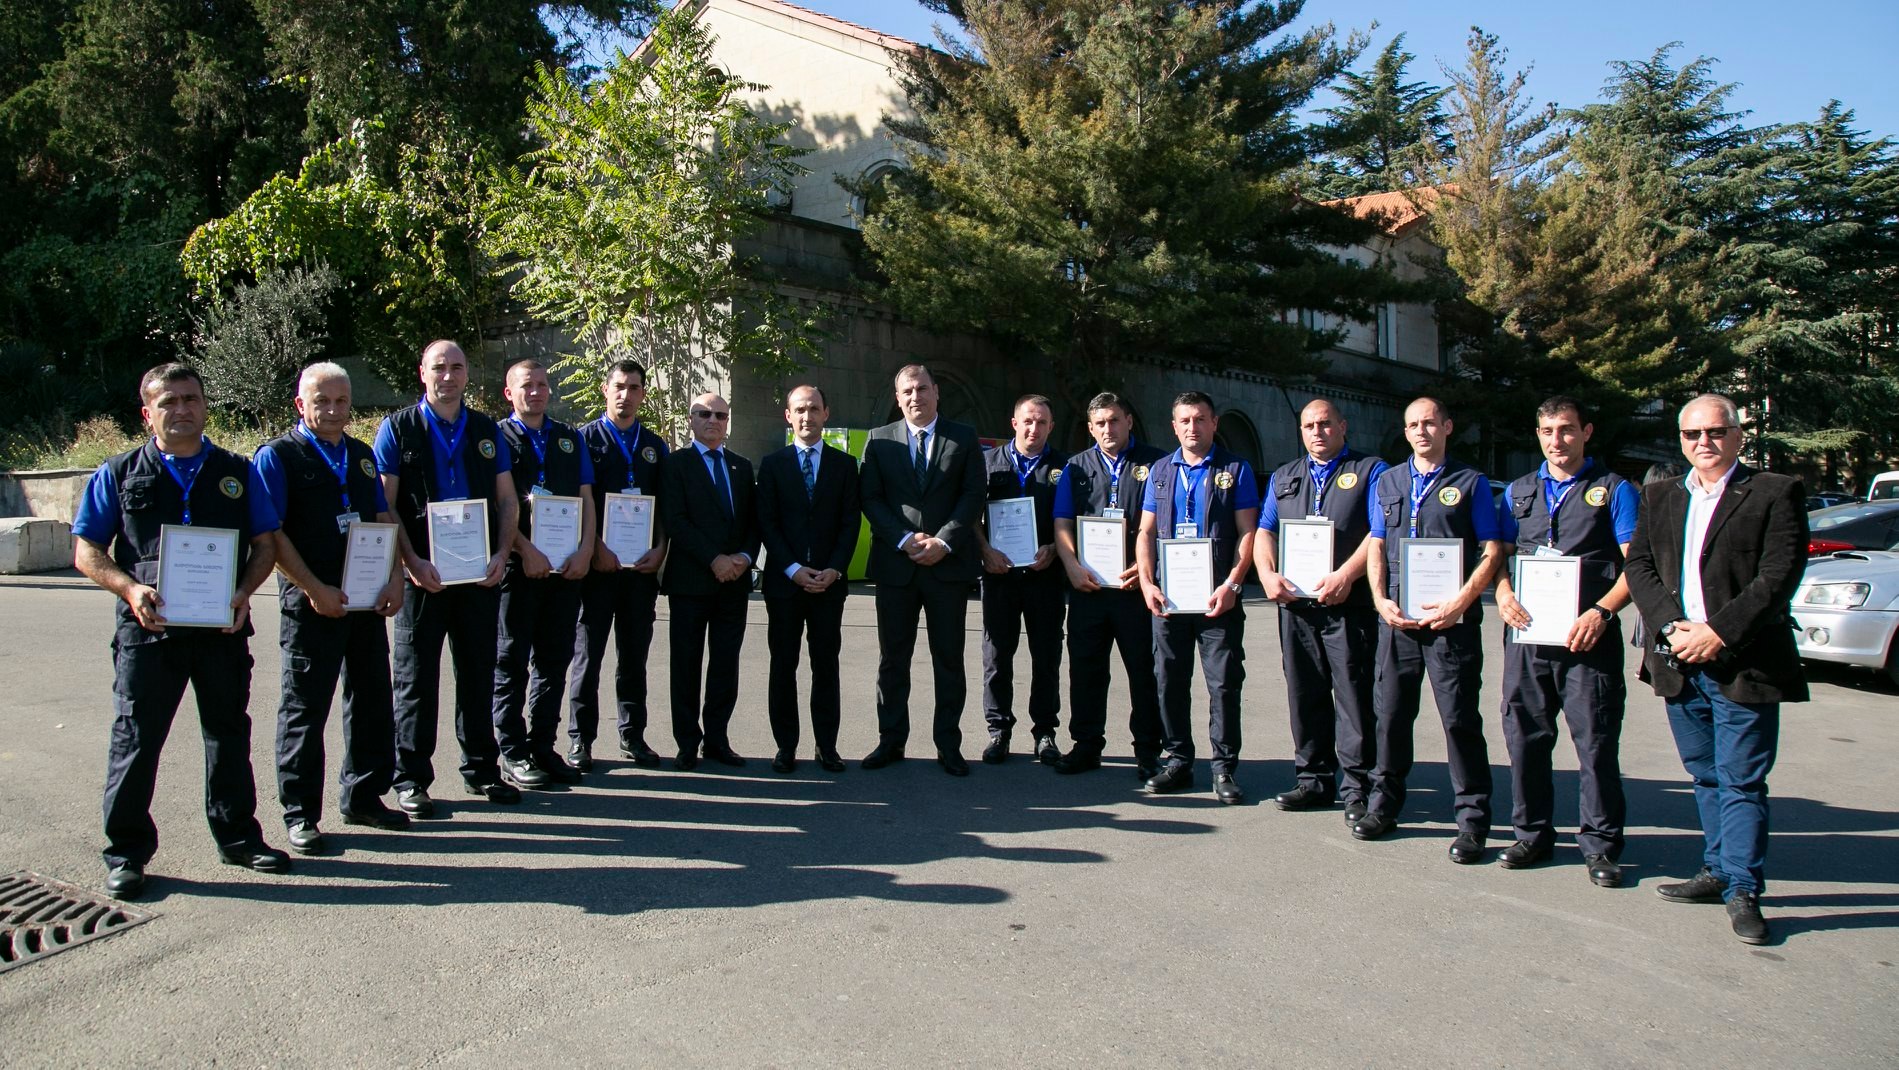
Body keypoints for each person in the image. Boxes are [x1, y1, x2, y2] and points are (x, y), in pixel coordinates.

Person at [72, 363, 287, 897]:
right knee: (136, 739)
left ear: (205, 406)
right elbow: (87, 551)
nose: (182, 409)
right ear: (147, 414)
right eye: (168, 401)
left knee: (228, 735)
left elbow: (265, 545)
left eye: (191, 398)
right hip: (149, 633)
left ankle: (238, 837)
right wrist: (129, 589)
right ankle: (126, 853)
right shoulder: (118, 473)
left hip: (221, 632)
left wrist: (243, 593)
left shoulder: (238, 472)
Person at [1624, 393, 1808, 945]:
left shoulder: (1775, 492)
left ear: (1737, 435)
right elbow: (1639, 566)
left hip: (1742, 663)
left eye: (1715, 432)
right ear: (1681, 440)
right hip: (1679, 660)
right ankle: (1717, 868)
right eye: (1692, 434)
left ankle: (1744, 889)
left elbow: (1778, 575)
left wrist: (1718, 633)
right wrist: (1672, 627)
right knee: (1704, 774)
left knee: (1742, 780)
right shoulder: (1660, 496)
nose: (1703, 442)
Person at [253, 362, 409, 856]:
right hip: (312, 604)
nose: (333, 410)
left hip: (365, 600)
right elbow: (272, 534)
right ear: (301, 404)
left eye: (342, 401)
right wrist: (314, 588)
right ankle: (300, 813)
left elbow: (382, 517)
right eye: (322, 401)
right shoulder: (277, 457)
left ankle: (364, 796)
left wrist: (395, 575)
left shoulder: (360, 456)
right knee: (305, 708)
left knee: (371, 699)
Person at [374, 339, 528, 816]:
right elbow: (385, 504)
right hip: (425, 576)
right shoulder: (397, 428)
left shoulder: (485, 429)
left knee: (478, 673)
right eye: (438, 367)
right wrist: (410, 562)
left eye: (456, 367)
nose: (448, 376)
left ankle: (481, 769)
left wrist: (502, 552)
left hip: (478, 576)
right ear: (423, 373)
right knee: (415, 679)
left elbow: (507, 499)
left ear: (467, 374)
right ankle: (411, 779)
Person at [1492, 396, 1639, 887]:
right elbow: (1498, 556)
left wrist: (1603, 611)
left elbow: (1636, 565)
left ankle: (1600, 846)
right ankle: (1531, 834)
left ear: (1586, 432)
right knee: (1525, 739)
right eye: (1548, 431)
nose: (1557, 440)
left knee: (1595, 744)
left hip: (1587, 641)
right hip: (1529, 639)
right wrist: (1503, 593)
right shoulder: (1518, 492)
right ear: (1538, 435)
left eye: (1567, 429)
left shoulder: (1614, 490)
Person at [1356, 397, 1507, 863]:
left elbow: (1492, 549)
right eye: (1413, 425)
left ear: (1447, 427)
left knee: (1459, 720)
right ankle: (1383, 805)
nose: (1421, 431)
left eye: (1429, 423)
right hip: (1398, 620)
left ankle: (1472, 821)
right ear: (1405, 432)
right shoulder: (1388, 481)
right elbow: (1377, 543)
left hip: (1450, 625)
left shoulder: (1470, 482)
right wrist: (1379, 599)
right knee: (1390, 716)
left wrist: (1461, 602)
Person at [1252, 398, 1388, 822]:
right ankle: (1313, 779)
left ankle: (1358, 787)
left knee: (1353, 697)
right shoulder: (1285, 475)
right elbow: (1264, 530)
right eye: (1310, 426)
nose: (1317, 432)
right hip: (1296, 607)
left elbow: (1378, 533)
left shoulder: (1371, 471)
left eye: (1326, 424)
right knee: (1304, 693)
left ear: (1342, 427)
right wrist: (1267, 574)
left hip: (1348, 605)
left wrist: (1346, 575)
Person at [858, 363, 988, 776]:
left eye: (922, 388)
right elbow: (871, 498)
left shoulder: (963, 437)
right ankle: (890, 741)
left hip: (947, 567)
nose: (916, 397)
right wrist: (903, 539)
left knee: (948, 660)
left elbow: (973, 494)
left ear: (936, 392)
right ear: (898, 399)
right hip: (897, 566)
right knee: (893, 660)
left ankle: (948, 744)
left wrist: (944, 541)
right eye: (908, 391)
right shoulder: (879, 440)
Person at [1135, 391, 1259, 804]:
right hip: (1168, 599)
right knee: (1169, 681)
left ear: (1214, 423)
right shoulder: (1160, 471)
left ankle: (1223, 767)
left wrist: (1233, 585)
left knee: (1223, 685)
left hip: (1216, 599)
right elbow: (1145, 532)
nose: (1193, 427)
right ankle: (1178, 760)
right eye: (1185, 420)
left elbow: (1248, 532)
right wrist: (1148, 583)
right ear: (1174, 427)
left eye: (1200, 419)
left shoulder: (1235, 469)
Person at [1051, 392, 1166, 777]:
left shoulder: (1157, 463)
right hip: (1089, 588)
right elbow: (1063, 522)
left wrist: (1145, 567)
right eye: (1100, 423)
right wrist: (1071, 565)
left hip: (1135, 590)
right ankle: (1086, 745)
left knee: (1144, 671)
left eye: (1114, 420)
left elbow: (1161, 525)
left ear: (1128, 421)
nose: (1108, 429)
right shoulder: (1075, 467)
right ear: (1090, 428)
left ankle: (1148, 750)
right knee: (1085, 670)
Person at [493, 359, 596, 786]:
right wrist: (525, 549)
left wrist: (586, 549)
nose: (535, 391)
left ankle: (542, 746)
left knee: (554, 662)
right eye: (525, 385)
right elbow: (498, 504)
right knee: (512, 661)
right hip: (519, 568)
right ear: (509, 393)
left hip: (565, 570)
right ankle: (512, 752)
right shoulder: (496, 437)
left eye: (541, 384)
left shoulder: (569, 438)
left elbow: (587, 498)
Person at [566, 360, 670, 770]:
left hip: (640, 571)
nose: (626, 395)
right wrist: (594, 547)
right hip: (597, 569)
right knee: (587, 657)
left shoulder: (655, 445)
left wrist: (660, 549)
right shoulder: (583, 440)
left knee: (634, 658)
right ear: (605, 390)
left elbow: (663, 505)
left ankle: (632, 735)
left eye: (634, 388)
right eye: (620, 387)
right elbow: (578, 501)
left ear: (643, 394)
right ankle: (580, 739)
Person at [755, 385, 861, 773]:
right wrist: (792, 569)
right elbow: (767, 523)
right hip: (785, 585)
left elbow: (850, 522)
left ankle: (826, 746)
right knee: (783, 665)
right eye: (799, 410)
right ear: (788, 416)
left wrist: (836, 568)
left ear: (826, 413)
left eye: (814, 409)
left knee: (826, 666)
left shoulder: (845, 465)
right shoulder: (773, 464)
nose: (807, 416)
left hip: (829, 585)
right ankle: (786, 746)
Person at [658, 392, 759, 769]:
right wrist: (713, 558)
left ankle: (717, 738)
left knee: (725, 665)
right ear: (691, 420)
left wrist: (744, 558)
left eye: (720, 415)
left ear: (727, 422)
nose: (712, 420)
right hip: (690, 582)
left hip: (734, 582)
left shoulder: (741, 466)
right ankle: (687, 742)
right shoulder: (676, 464)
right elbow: (676, 520)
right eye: (704, 414)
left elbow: (753, 521)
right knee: (686, 664)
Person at [976, 394, 1069, 765]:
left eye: (1042, 422)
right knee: (997, 656)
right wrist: (985, 550)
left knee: (1046, 657)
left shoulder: (1066, 467)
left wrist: (1055, 548)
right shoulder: (987, 464)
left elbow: (1073, 520)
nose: (1034, 428)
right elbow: (970, 517)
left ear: (1051, 427)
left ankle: (1045, 732)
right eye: (1028, 421)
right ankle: (998, 730)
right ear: (1014, 423)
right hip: (999, 575)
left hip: (1045, 576)